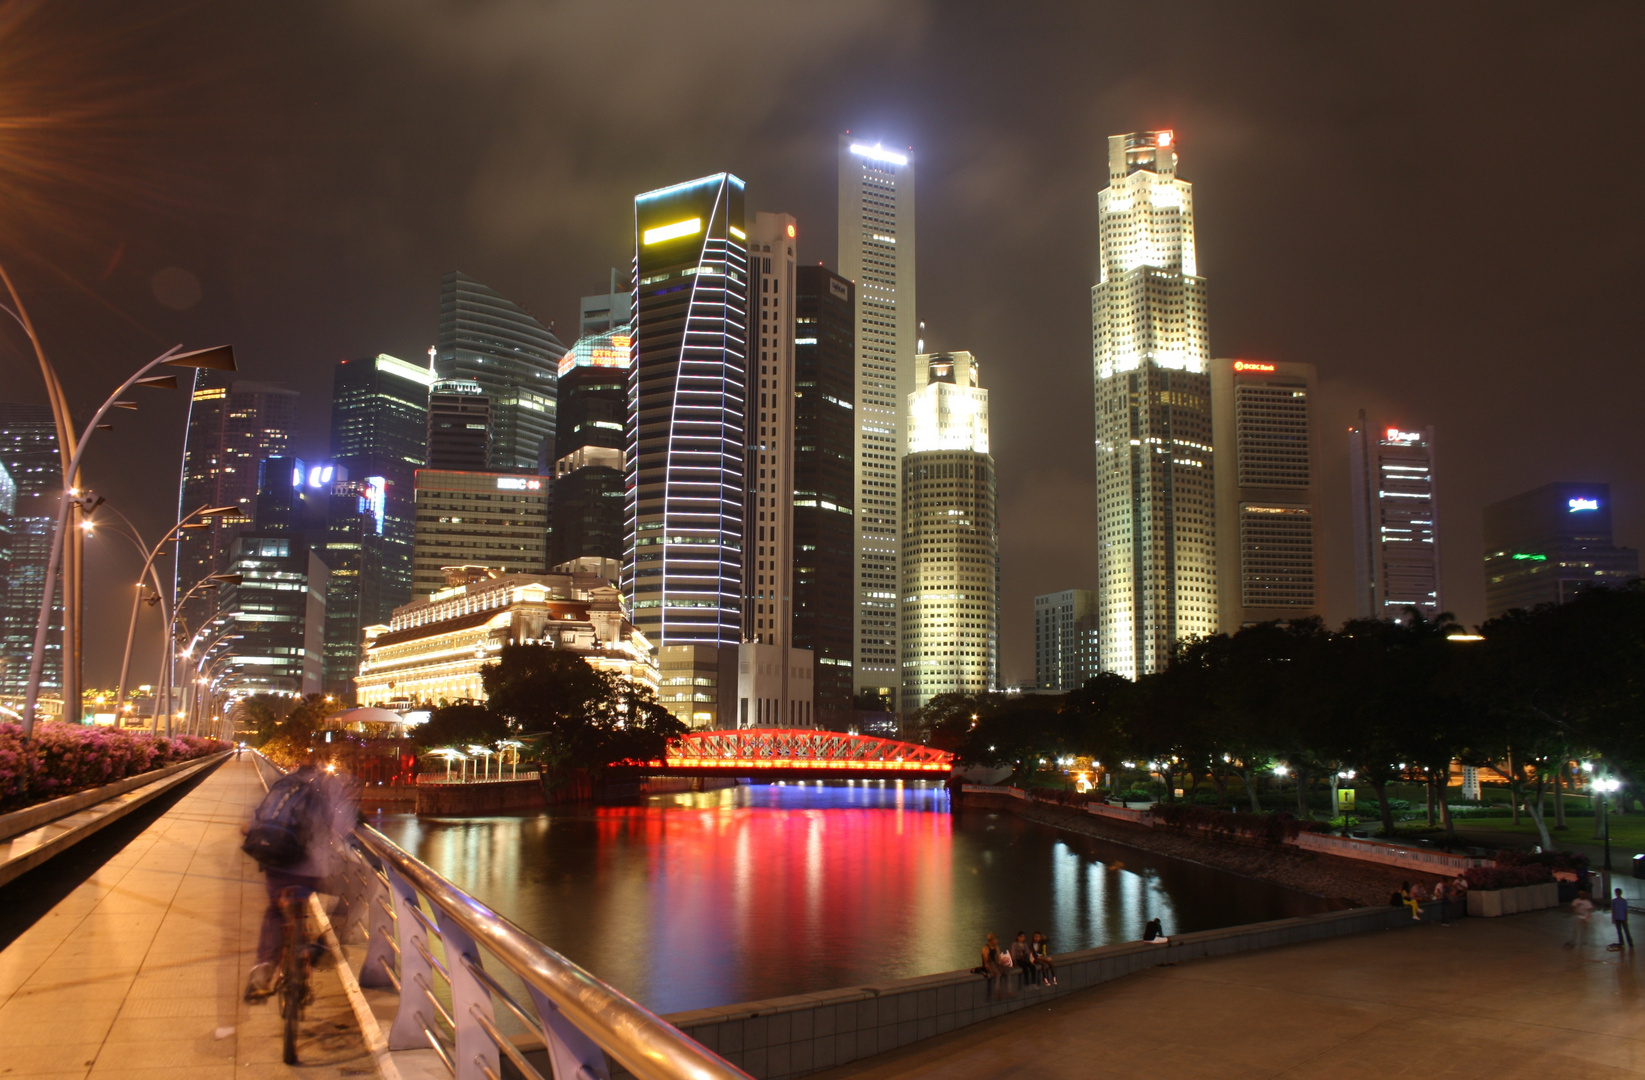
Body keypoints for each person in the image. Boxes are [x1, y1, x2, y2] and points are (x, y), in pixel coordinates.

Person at [242, 761, 357, 999]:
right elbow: (343, 827)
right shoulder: (330, 788)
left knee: (275, 909)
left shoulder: (283, 785)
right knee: (351, 895)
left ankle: (264, 967)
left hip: (276, 860)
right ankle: (320, 947)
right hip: (311, 869)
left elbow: (256, 820)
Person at [980, 933, 1013, 1000]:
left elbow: (999, 959)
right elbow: (986, 962)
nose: (997, 941)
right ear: (991, 940)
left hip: (994, 963)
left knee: (1007, 972)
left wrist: (1006, 961)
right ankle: (997, 993)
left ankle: (1009, 991)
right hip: (989, 964)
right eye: (995, 939)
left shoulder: (996, 947)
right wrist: (991, 971)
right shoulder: (986, 949)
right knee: (997, 974)